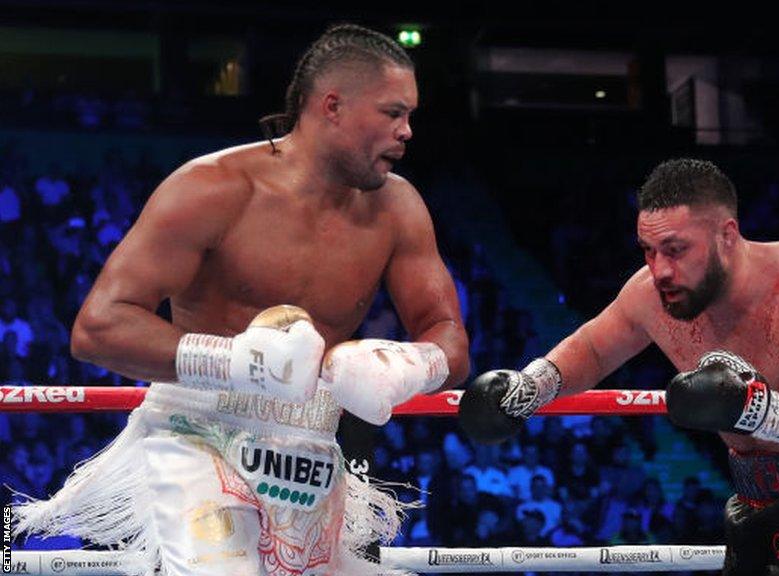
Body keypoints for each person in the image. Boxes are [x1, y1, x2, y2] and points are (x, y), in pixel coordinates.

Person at [14, 23, 469, 576]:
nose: (407, 131)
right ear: (332, 107)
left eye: (409, 116)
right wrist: (237, 362)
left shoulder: (398, 208)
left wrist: (405, 366)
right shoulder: (214, 188)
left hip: (310, 441)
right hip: (197, 429)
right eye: (393, 113)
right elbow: (98, 328)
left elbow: (448, 338)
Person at [460, 158, 779, 576]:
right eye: (648, 250)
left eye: (675, 250)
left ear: (727, 235)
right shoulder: (651, 294)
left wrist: (760, 410)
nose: (659, 270)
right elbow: (595, 348)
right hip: (758, 497)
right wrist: (528, 388)